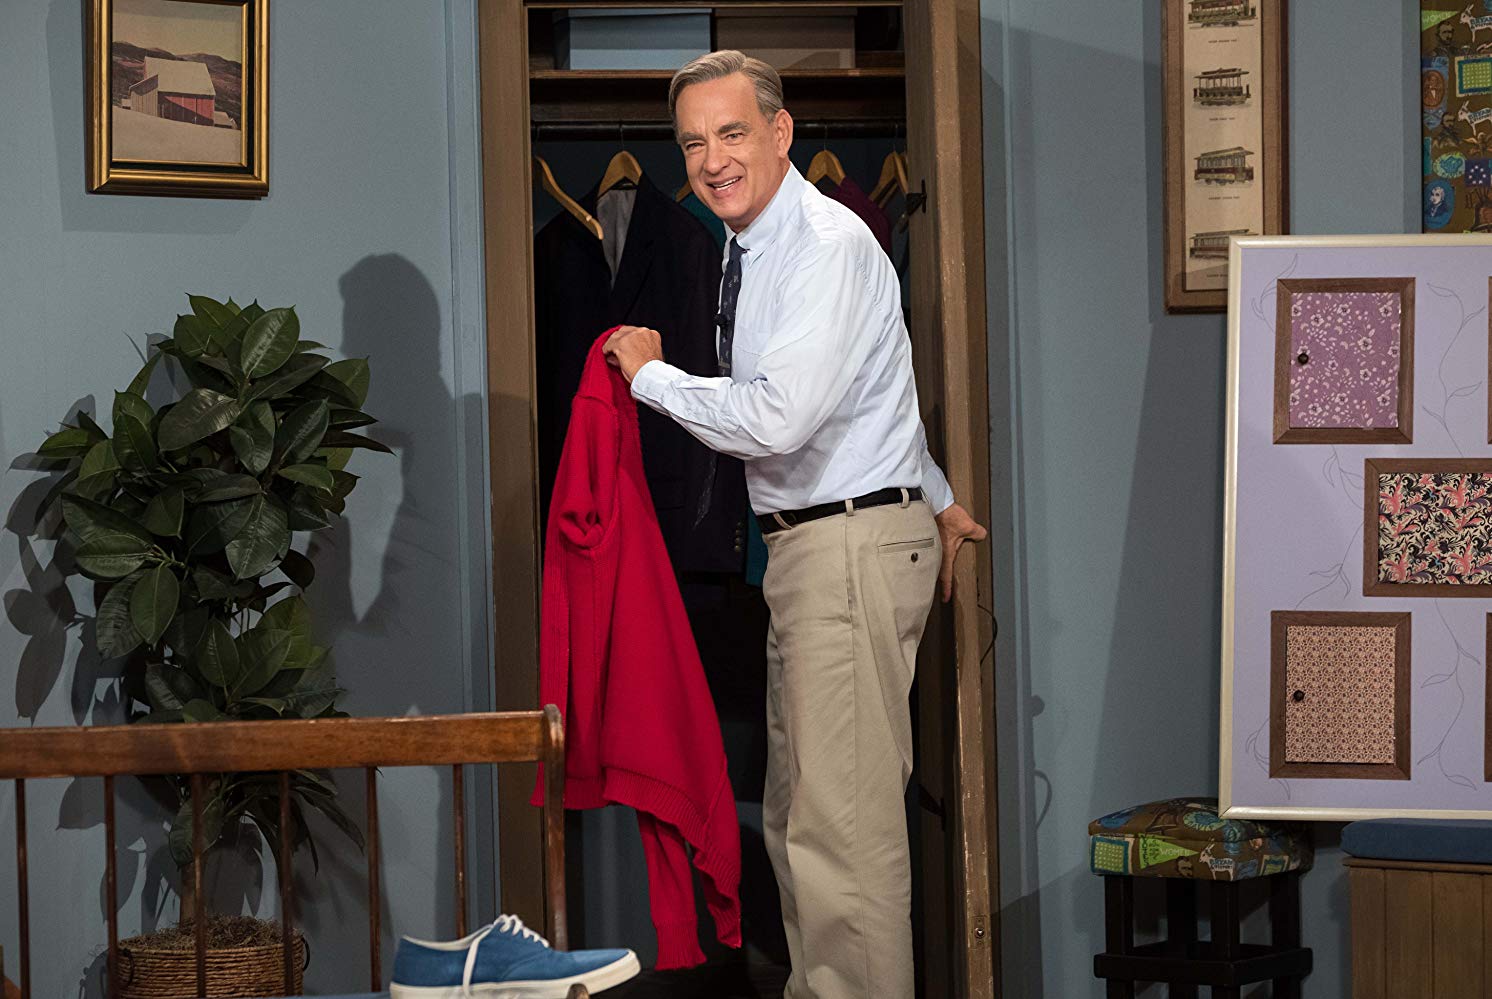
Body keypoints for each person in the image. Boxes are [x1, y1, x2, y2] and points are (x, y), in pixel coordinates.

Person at [602, 50, 987, 999]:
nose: (712, 160)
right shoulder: (756, 247)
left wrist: (651, 378)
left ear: (780, 133)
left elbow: (778, 417)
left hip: (843, 548)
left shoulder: (821, 244)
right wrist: (935, 492)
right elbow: (872, 390)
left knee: (841, 838)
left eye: (732, 133)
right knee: (800, 824)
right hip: (818, 547)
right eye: (694, 142)